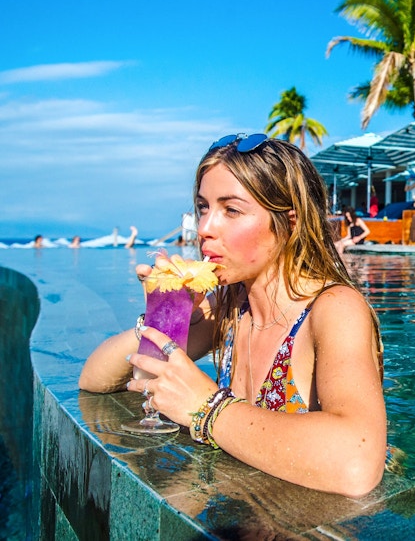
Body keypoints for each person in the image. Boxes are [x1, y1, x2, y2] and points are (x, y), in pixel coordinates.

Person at [79, 134, 386, 497]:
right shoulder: (229, 307)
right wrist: (164, 316)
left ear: (289, 222)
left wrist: (206, 407)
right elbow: (96, 379)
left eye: (232, 210)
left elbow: (357, 463)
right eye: (203, 207)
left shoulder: (333, 308)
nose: (205, 228)